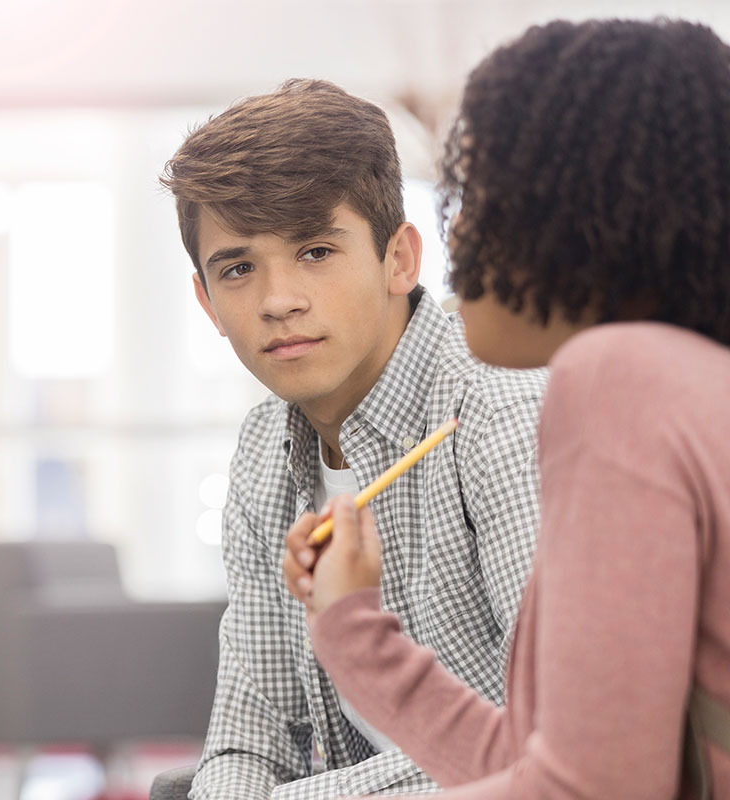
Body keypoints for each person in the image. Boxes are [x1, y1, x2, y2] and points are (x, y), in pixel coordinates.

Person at [290, 17, 730, 798]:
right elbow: (552, 765)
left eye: (478, 192)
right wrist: (352, 625)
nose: (455, 230)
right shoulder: (690, 384)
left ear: (578, 211)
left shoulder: (617, 380)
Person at [159, 79, 549, 798]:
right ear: (206, 300)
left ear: (399, 258)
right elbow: (249, 740)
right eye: (238, 268)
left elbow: (543, 743)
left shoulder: (500, 413)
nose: (278, 300)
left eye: (314, 250)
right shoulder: (262, 456)